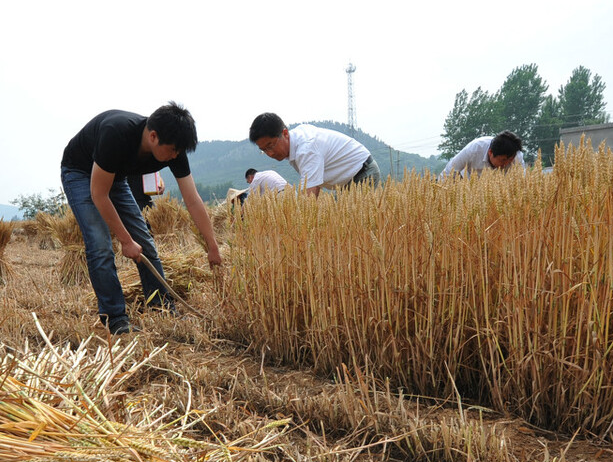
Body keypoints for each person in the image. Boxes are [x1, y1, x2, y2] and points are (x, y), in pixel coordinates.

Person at [60, 104, 222, 335]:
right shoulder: (116, 133)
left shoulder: (173, 148)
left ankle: (161, 306)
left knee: (144, 242)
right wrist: (125, 241)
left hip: (115, 178)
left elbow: (193, 200)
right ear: (153, 136)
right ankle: (115, 317)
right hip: (80, 172)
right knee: (101, 245)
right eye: (173, 150)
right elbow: (99, 194)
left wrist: (212, 246)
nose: (175, 156)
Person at [248, 113, 378, 197]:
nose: (270, 153)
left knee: (351, 227)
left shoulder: (306, 148)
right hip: (345, 183)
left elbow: (310, 196)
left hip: (363, 173)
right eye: (264, 150)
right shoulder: (296, 146)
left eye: (271, 146)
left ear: (285, 134)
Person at [439, 131, 525, 178]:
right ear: (490, 152)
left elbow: (522, 184)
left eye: (510, 160)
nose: (506, 164)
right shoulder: (474, 149)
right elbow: (448, 173)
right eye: (503, 160)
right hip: (469, 186)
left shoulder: (517, 157)